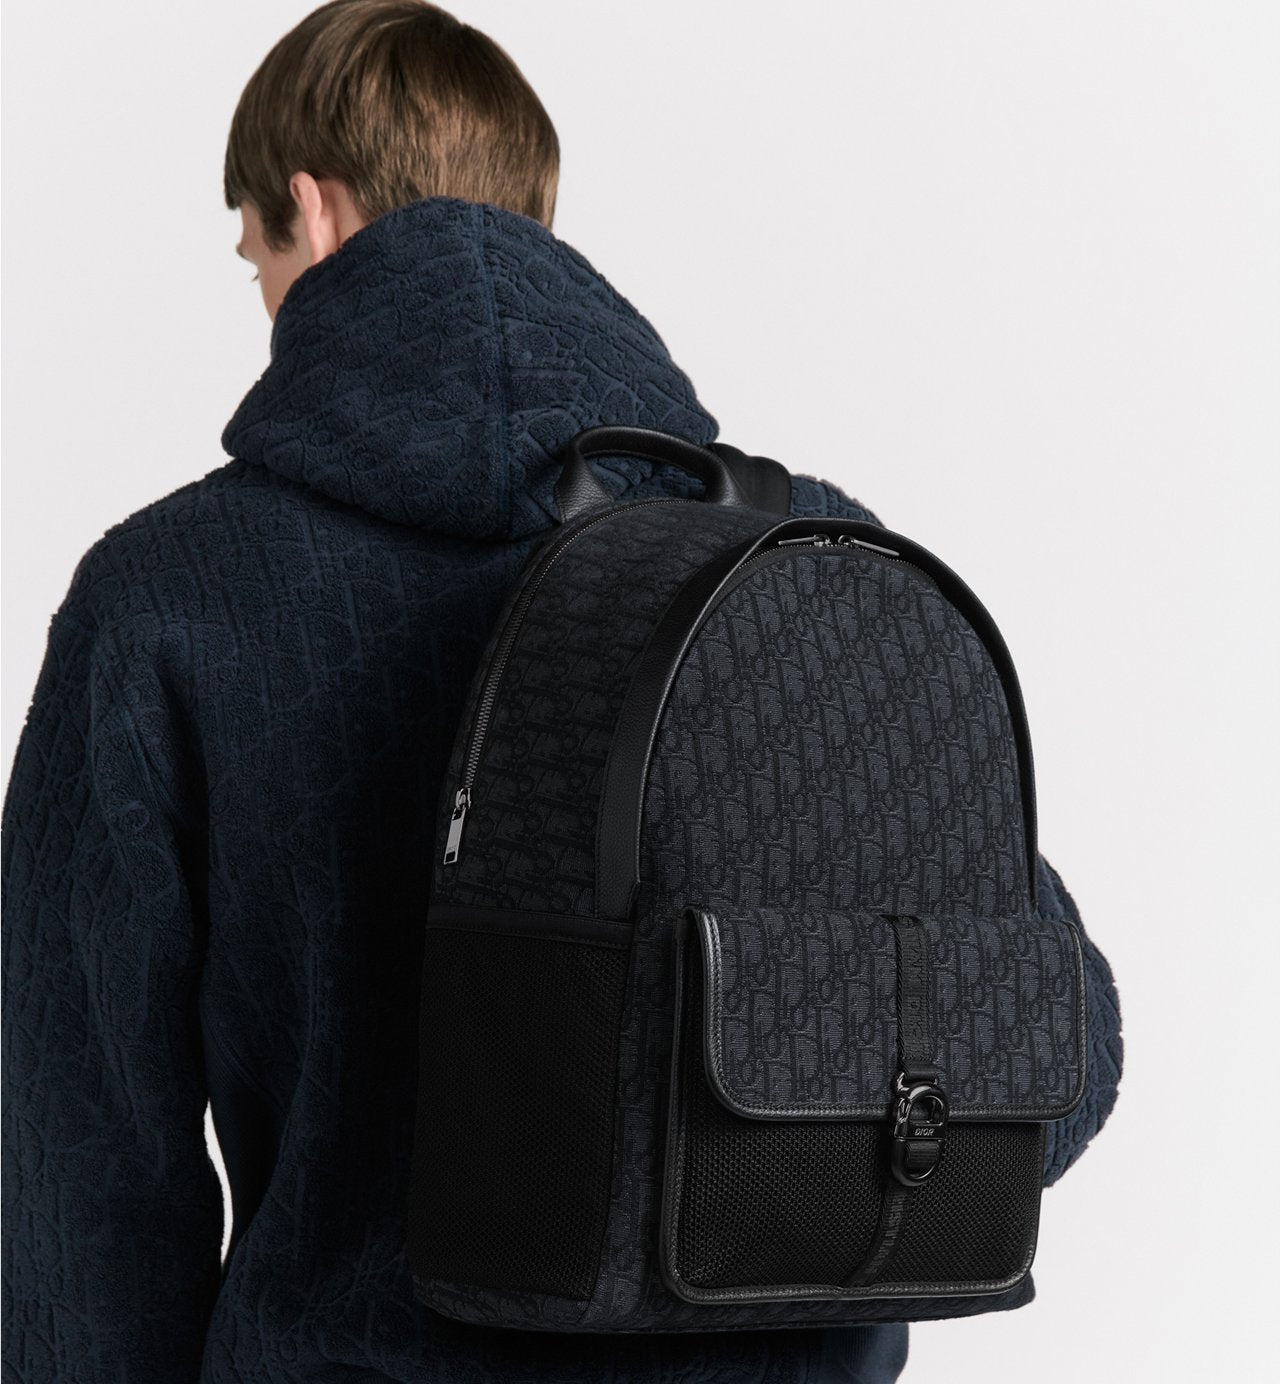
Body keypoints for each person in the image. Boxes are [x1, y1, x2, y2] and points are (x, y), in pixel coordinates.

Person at [1, 2, 1122, 1380]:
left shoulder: (168, 595)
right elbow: (1063, 1059)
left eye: (257, 259)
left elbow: (77, 1172)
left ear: (314, 211)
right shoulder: (805, 556)